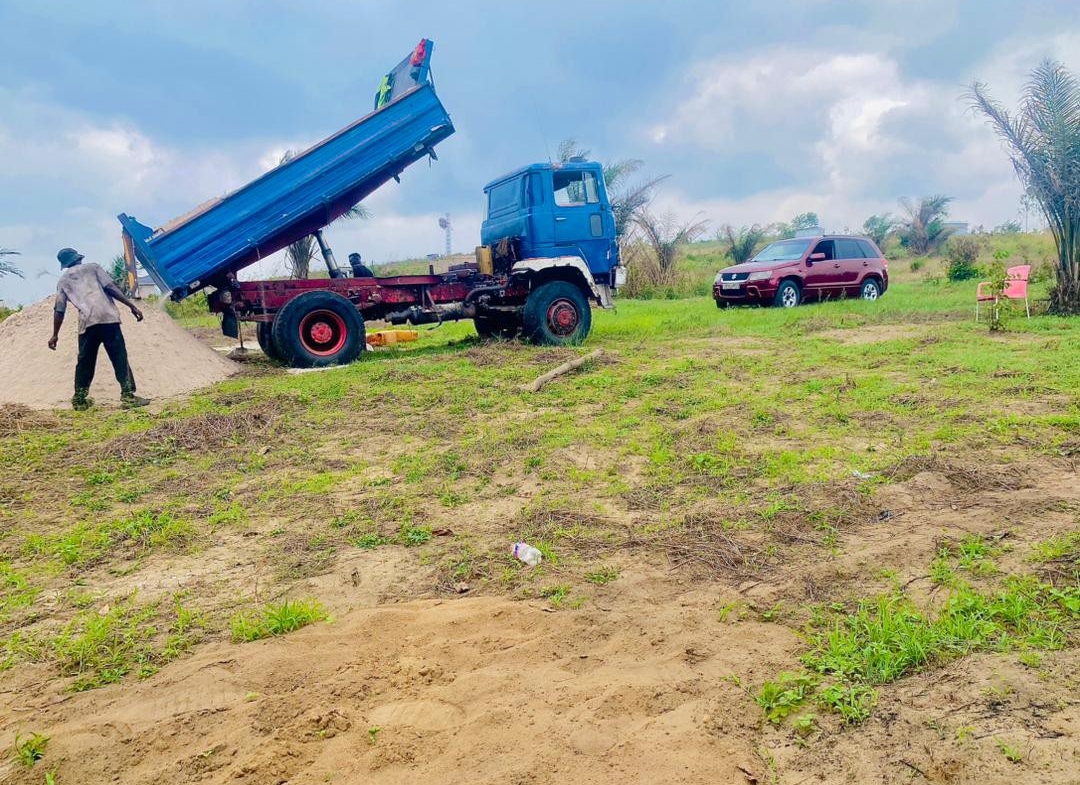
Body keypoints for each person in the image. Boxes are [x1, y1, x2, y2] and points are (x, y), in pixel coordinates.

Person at [47, 248, 149, 410]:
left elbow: (59, 310)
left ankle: (80, 400)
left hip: (88, 324)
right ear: (79, 258)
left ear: (64, 264)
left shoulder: (63, 281)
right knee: (119, 357)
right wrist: (131, 306)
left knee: (85, 362)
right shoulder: (93, 268)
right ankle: (128, 396)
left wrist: (55, 335)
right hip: (109, 319)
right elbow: (111, 288)